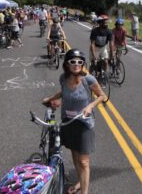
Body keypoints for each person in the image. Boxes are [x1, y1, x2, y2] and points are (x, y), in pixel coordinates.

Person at [42, 49, 106, 194]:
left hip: (83, 123)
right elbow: (63, 92)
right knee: (75, 156)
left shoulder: (88, 79)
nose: (76, 64)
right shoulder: (63, 79)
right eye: (73, 61)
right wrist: (51, 99)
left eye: (80, 62)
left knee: (84, 161)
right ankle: (79, 182)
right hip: (68, 122)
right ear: (67, 64)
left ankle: (84, 191)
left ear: (83, 64)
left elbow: (102, 96)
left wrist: (90, 106)